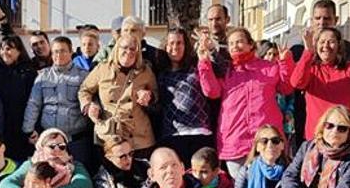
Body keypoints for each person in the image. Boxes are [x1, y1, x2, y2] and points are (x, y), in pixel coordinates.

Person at [198, 27, 293, 179]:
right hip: (235, 140)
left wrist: (284, 62)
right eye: (231, 43)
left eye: (240, 41)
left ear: (251, 44)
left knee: (270, 187)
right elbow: (211, 91)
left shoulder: (267, 68)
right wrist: (204, 63)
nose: (235, 46)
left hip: (266, 141)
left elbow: (286, 87)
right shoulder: (226, 71)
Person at [79, 34, 158, 156]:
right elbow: (84, 90)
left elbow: (157, 95)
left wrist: (149, 96)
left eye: (133, 49)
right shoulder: (102, 69)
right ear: (117, 49)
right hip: (111, 135)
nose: (128, 52)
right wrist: (88, 105)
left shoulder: (145, 71)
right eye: (124, 48)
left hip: (140, 138)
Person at [291, 27, 350, 141]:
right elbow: (296, 82)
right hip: (317, 137)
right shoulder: (311, 69)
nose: (326, 46)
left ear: (339, 46)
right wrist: (308, 52)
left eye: (331, 42)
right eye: (322, 42)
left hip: (346, 135)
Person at [23, 36, 90, 165]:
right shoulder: (43, 76)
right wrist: (29, 130)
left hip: (76, 141)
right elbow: (33, 104)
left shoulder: (83, 76)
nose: (59, 55)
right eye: (55, 51)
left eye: (63, 51)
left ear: (71, 52)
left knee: (79, 175)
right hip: (50, 141)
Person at [157, 27, 214, 164]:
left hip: (199, 131)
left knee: (205, 177)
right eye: (171, 43)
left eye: (179, 43)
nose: (175, 47)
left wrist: (210, 49)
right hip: (173, 134)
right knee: (182, 177)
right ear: (165, 46)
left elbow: (219, 71)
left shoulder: (195, 66)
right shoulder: (161, 73)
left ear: (185, 46)